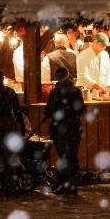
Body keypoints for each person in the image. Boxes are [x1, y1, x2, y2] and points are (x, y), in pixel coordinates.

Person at [45, 65, 85, 195]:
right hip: (74, 128)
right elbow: (81, 110)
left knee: (65, 157)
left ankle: (66, 185)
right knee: (73, 157)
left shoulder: (55, 93)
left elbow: (48, 111)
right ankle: (71, 185)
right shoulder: (76, 92)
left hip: (59, 129)